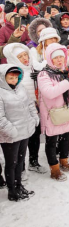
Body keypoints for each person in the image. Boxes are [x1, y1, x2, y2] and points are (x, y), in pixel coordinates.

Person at [37, 44, 69, 182]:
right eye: (55, 57)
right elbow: (49, 93)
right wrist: (67, 82)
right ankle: (54, 169)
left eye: (61, 57)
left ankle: (64, 161)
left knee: (65, 138)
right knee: (51, 142)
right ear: (50, 59)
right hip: (54, 114)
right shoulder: (44, 74)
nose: (59, 60)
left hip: (67, 111)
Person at [0, 65, 39, 201]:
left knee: (20, 161)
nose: (14, 80)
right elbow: (0, 118)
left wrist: (34, 119)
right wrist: (12, 131)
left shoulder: (20, 88)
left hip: (25, 130)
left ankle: (19, 185)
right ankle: (12, 191)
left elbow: (30, 104)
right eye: (11, 78)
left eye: (16, 77)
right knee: (12, 163)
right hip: (10, 136)